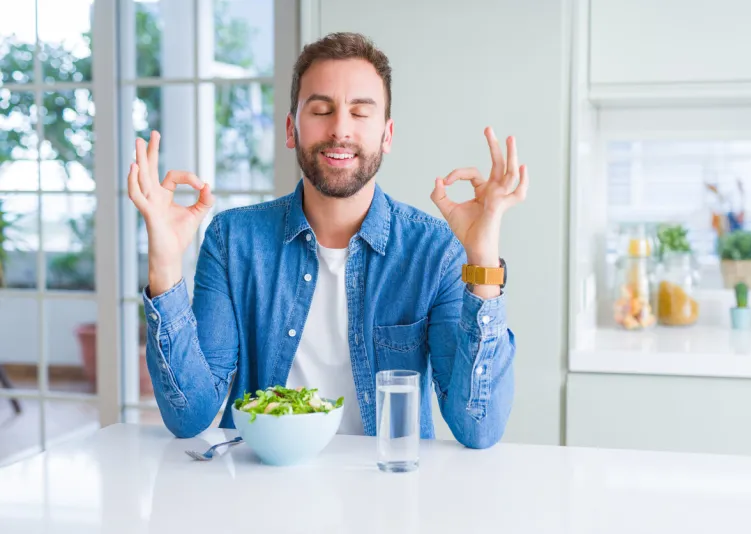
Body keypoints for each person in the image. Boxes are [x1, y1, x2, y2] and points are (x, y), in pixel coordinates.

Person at [128, 32, 528, 449]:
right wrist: (165, 263)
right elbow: (189, 416)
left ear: (387, 135)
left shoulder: (435, 250)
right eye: (321, 110)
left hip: (386, 490)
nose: (340, 129)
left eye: (360, 113)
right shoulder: (232, 240)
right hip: (260, 488)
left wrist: (482, 256)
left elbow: (477, 428)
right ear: (291, 128)